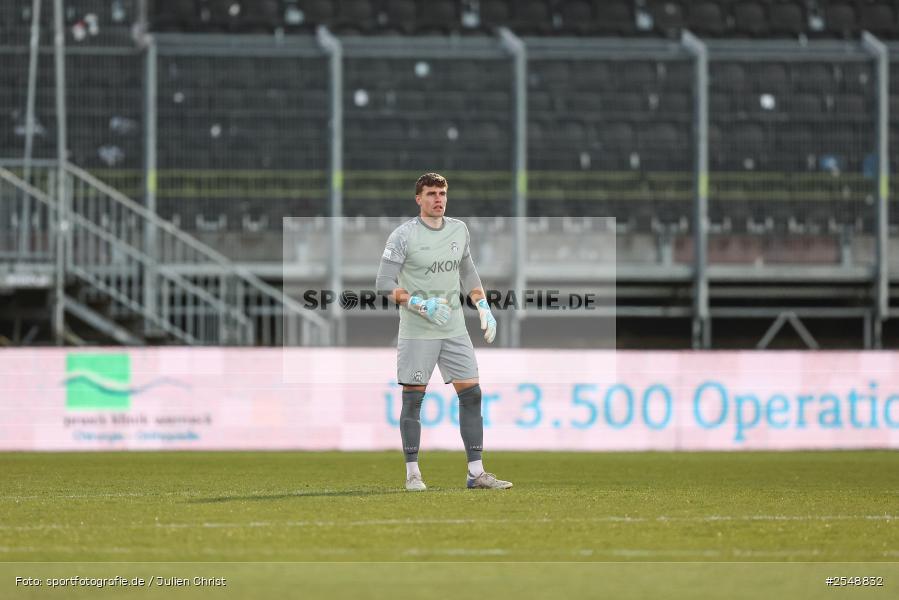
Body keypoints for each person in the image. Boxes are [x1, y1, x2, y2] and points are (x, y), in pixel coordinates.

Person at [375, 173, 513, 492]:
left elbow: (467, 271)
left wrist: (483, 307)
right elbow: (383, 284)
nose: (439, 199)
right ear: (418, 199)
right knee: (413, 399)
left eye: (443, 193)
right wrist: (419, 304)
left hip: (453, 328)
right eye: (432, 193)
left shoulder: (458, 229)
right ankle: (413, 473)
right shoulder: (403, 236)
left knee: (472, 394)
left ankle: (476, 473)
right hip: (417, 329)